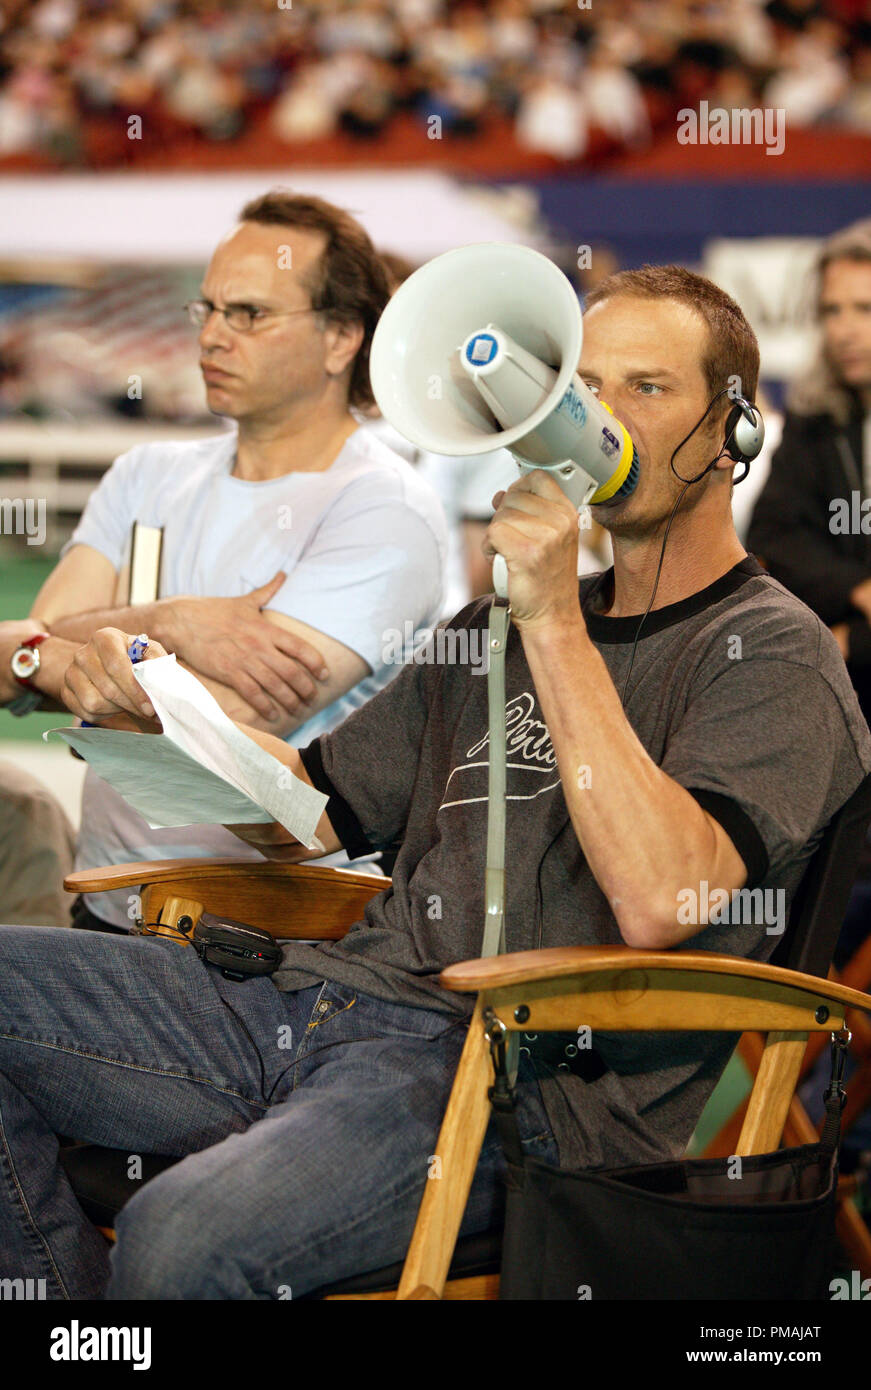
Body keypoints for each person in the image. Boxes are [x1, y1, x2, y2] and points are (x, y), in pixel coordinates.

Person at [1, 264, 869, 1300]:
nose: (602, 414)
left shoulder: (770, 653)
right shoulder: (486, 632)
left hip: (513, 1080)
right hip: (318, 1003)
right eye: (584, 386)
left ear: (732, 431)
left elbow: (656, 902)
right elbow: (313, 812)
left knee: (177, 1239)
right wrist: (175, 714)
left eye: (647, 386)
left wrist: (551, 618)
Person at [14, 190, 448, 929]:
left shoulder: (384, 510)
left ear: (343, 337)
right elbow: (28, 649)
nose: (212, 336)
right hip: (108, 906)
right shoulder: (145, 472)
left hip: (272, 943)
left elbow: (218, 736)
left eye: (248, 314)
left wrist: (52, 658)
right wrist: (170, 623)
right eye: (207, 310)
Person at [748, 217, 871, 726]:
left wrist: (854, 642)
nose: (843, 328)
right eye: (831, 310)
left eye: (864, 308)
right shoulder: (814, 418)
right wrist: (859, 590)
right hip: (848, 706)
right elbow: (773, 541)